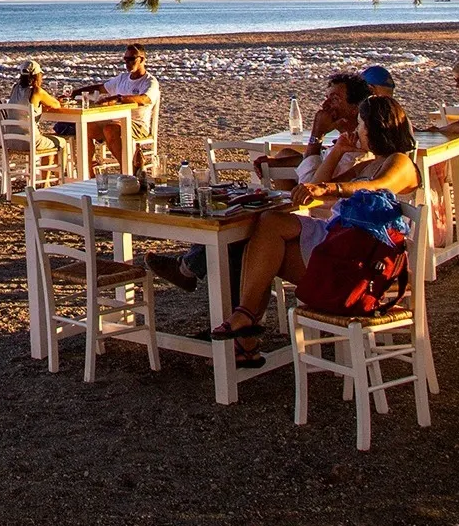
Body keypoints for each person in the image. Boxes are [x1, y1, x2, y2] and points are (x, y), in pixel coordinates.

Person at [212, 95, 419, 366]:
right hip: (343, 243)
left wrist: (329, 189)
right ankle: (246, 323)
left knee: (263, 253)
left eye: (359, 124)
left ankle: (246, 330)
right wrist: (338, 151)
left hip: (364, 262)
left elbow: (376, 187)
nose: (356, 130)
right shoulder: (369, 163)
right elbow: (314, 190)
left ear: (373, 127)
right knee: (268, 226)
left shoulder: (400, 162)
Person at [146, 73, 372, 294]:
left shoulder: (358, 151)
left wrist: (316, 135)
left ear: (355, 108)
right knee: (243, 223)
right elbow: (320, 161)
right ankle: (223, 306)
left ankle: (192, 275)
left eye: (334, 99)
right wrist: (280, 160)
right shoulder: (345, 143)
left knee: (247, 230)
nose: (325, 105)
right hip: (317, 223)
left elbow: (310, 186)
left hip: (325, 230)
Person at [71, 43, 159, 169]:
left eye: (132, 59)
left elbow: (145, 99)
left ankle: (128, 170)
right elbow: (101, 88)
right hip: (116, 120)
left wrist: (119, 98)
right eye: (125, 59)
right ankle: (89, 172)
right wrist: (77, 92)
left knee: (110, 129)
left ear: (142, 60)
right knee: (86, 126)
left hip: (137, 124)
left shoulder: (149, 81)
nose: (128, 63)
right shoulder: (122, 78)